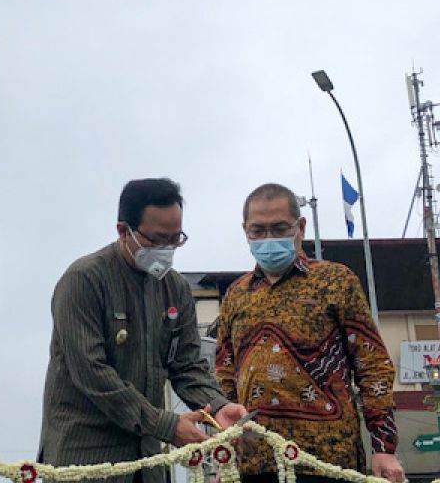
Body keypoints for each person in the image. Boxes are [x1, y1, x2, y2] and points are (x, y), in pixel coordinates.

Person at [39, 178, 247, 483]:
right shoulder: (83, 281)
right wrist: (166, 426)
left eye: (176, 239)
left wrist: (217, 407)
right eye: (157, 239)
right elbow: (93, 375)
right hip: (85, 460)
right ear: (123, 231)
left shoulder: (174, 288)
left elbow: (187, 364)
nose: (167, 249)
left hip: (149, 459)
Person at [215, 183, 405, 483]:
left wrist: (384, 447)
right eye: (258, 230)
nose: (268, 238)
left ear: (300, 227)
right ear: (245, 231)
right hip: (254, 463)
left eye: (279, 228)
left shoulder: (335, 281)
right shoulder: (236, 294)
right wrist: (223, 451)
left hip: (327, 461)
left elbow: (373, 366)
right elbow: (224, 372)